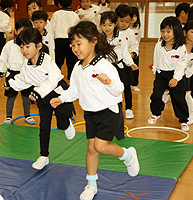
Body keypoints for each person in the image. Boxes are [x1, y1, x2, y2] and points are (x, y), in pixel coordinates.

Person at [50, 21, 140, 200]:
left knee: (100, 145)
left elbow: (119, 89)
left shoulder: (105, 65)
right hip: (90, 113)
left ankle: (128, 154)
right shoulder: (77, 67)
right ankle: (91, 185)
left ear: (93, 41)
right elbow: (75, 90)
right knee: (91, 149)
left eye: (79, 43)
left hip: (108, 111)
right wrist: (62, 98)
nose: (75, 48)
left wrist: (109, 82)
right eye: (73, 44)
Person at [4, 27, 75, 170]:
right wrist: (10, 83)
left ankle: (66, 124)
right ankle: (44, 156)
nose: (24, 50)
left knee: (61, 124)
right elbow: (23, 80)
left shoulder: (48, 61)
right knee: (44, 126)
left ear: (39, 46)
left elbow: (53, 79)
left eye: (27, 46)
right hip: (42, 97)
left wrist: (37, 92)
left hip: (59, 93)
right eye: (22, 47)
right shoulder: (26, 64)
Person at [148, 16, 189, 131]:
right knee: (156, 95)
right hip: (161, 74)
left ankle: (184, 119)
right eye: (163, 31)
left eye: (168, 31)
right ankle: (156, 113)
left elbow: (182, 64)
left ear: (176, 31)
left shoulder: (181, 48)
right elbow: (156, 58)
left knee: (179, 99)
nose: (165, 34)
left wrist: (176, 78)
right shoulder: (159, 44)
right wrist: (155, 71)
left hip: (176, 75)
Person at [0, 18, 36, 125]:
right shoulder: (9, 45)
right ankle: (8, 117)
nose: (23, 33)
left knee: (26, 97)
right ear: (16, 31)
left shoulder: (30, 46)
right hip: (12, 74)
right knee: (11, 97)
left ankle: (27, 116)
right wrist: (1, 70)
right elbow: (3, 58)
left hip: (26, 74)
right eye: (20, 31)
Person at [115, 4, 139, 119]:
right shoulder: (111, 31)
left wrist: (134, 53)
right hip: (113, 64)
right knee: (113, 86)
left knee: (126, 86)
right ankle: (115, 107)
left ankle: (129, 108)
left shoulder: (130, 32)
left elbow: (135, 45)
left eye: (128, 22)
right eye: (122, 21)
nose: (124, 24)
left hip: (126, 62)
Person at [50, 0, 79, 80]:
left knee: (58, 62)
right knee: (71, 61)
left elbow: (51, 28)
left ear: (59, 4)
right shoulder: (74, 15)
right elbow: (77, 28)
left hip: (59, 41)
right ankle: (71, 79)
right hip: (71, 41)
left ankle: (56, 79)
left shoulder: (56, 14)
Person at [129, 6, 142, 92]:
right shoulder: (123, 29)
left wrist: (134, 52)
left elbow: (138, 40)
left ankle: (134, 84)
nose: (133, 18)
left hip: (134, 53)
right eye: (131, 16)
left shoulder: (138, 29)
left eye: (135, 16)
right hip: (125, 52)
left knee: (135, 68)